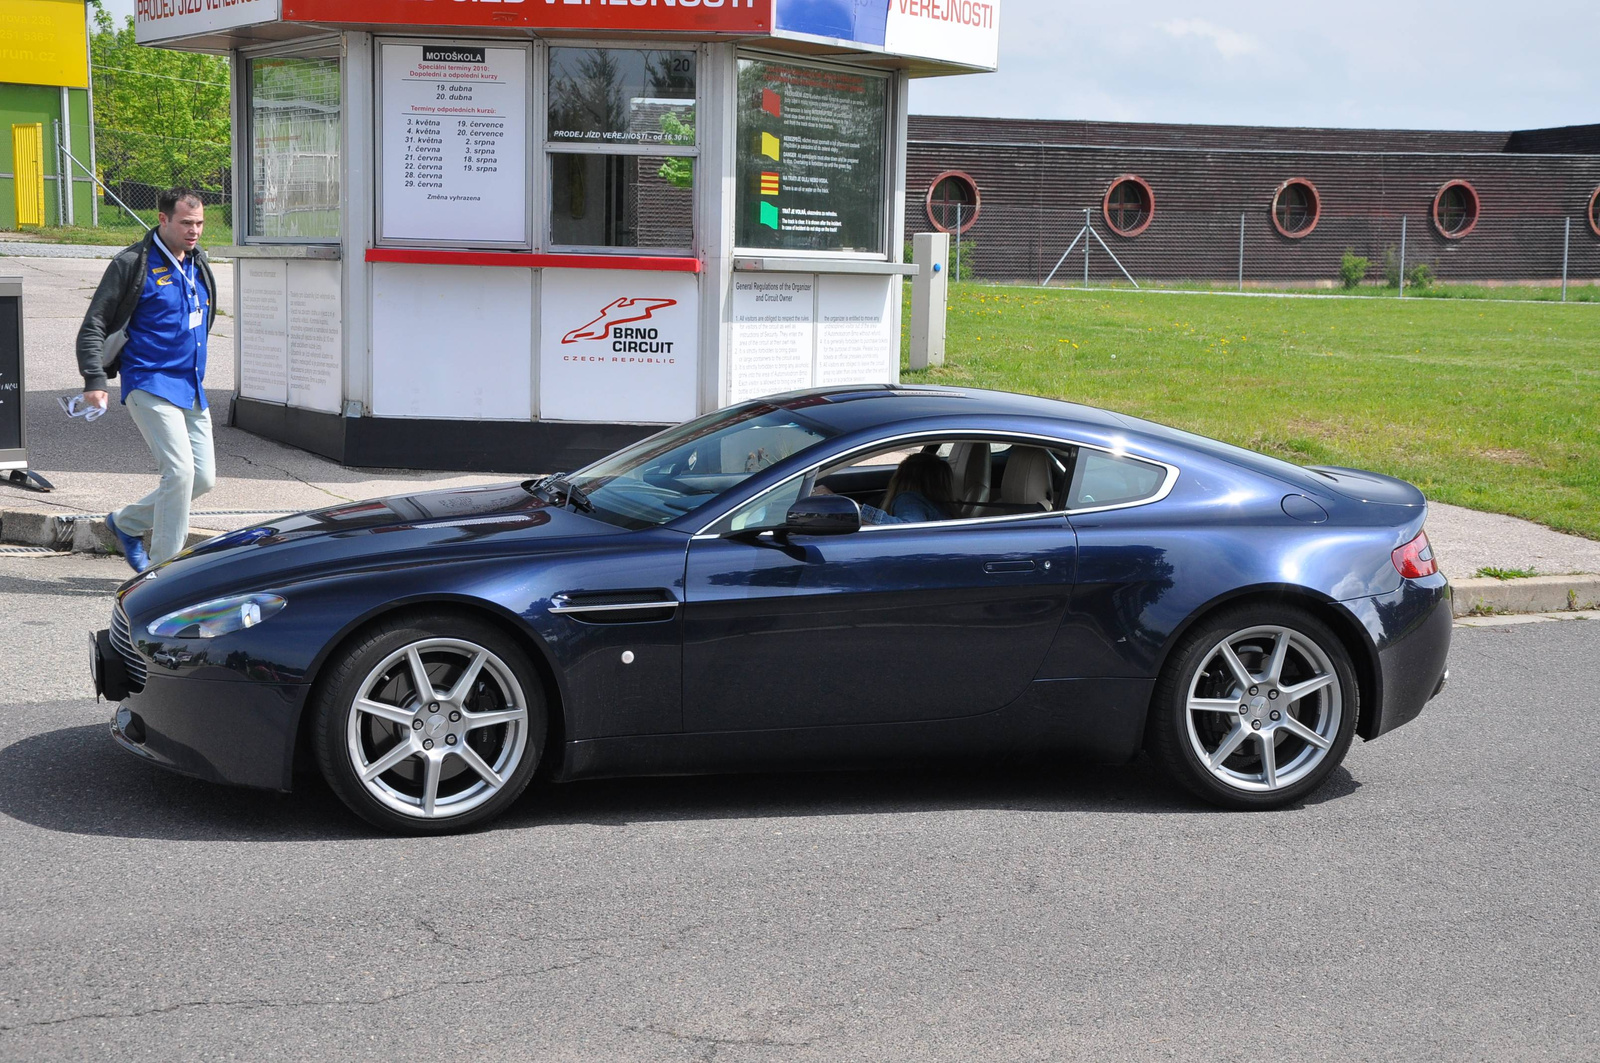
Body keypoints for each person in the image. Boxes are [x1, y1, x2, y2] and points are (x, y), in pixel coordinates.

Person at [76, 188, 218, 572]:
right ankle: (163, 573)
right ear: (163, 219)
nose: (195, 231)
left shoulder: (198, 263)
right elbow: (94, 324)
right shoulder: (132, 263)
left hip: (190, 386)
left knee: (202, 479)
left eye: (200, 223)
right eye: (186, 223)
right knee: (180, 473)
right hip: (149, 381)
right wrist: (95, 380)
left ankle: (126, 523)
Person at [862, 451, 953, 525]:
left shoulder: (910, 499)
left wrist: (861, 512)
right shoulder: (943, 508)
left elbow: (909, 529)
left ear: (901, 477)